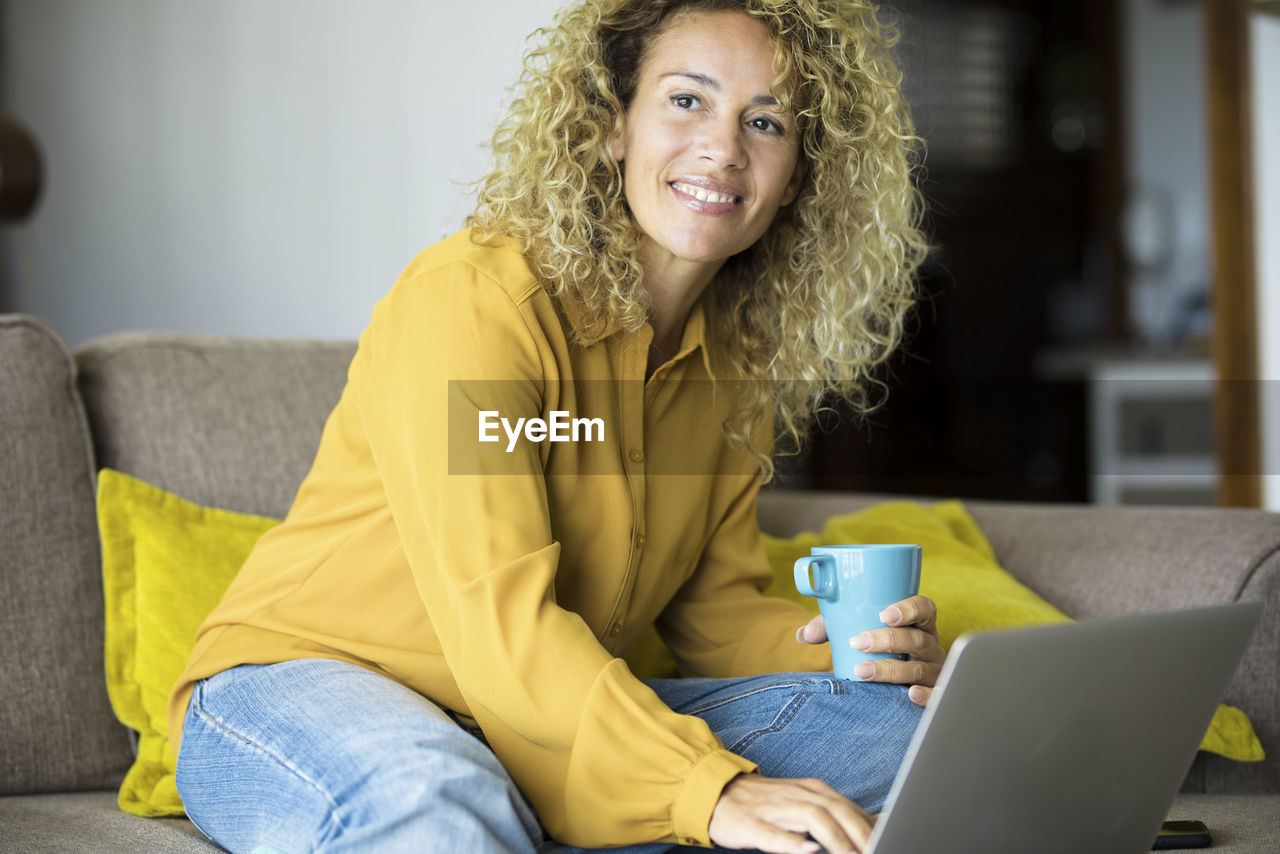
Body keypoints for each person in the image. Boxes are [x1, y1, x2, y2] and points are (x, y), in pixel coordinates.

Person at [169, 1, 939, 852]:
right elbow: (503, 625)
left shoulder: (731, 367)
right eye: (686, 100)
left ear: (794, 177)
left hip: (525, 720)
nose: (723, 147)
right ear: (613, 126)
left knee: (904, 738)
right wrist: (705, 791)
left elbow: (713, 615)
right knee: (439, 801)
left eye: (765, 121)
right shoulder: (477, 304)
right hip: (309, 682)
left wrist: (858, 653)